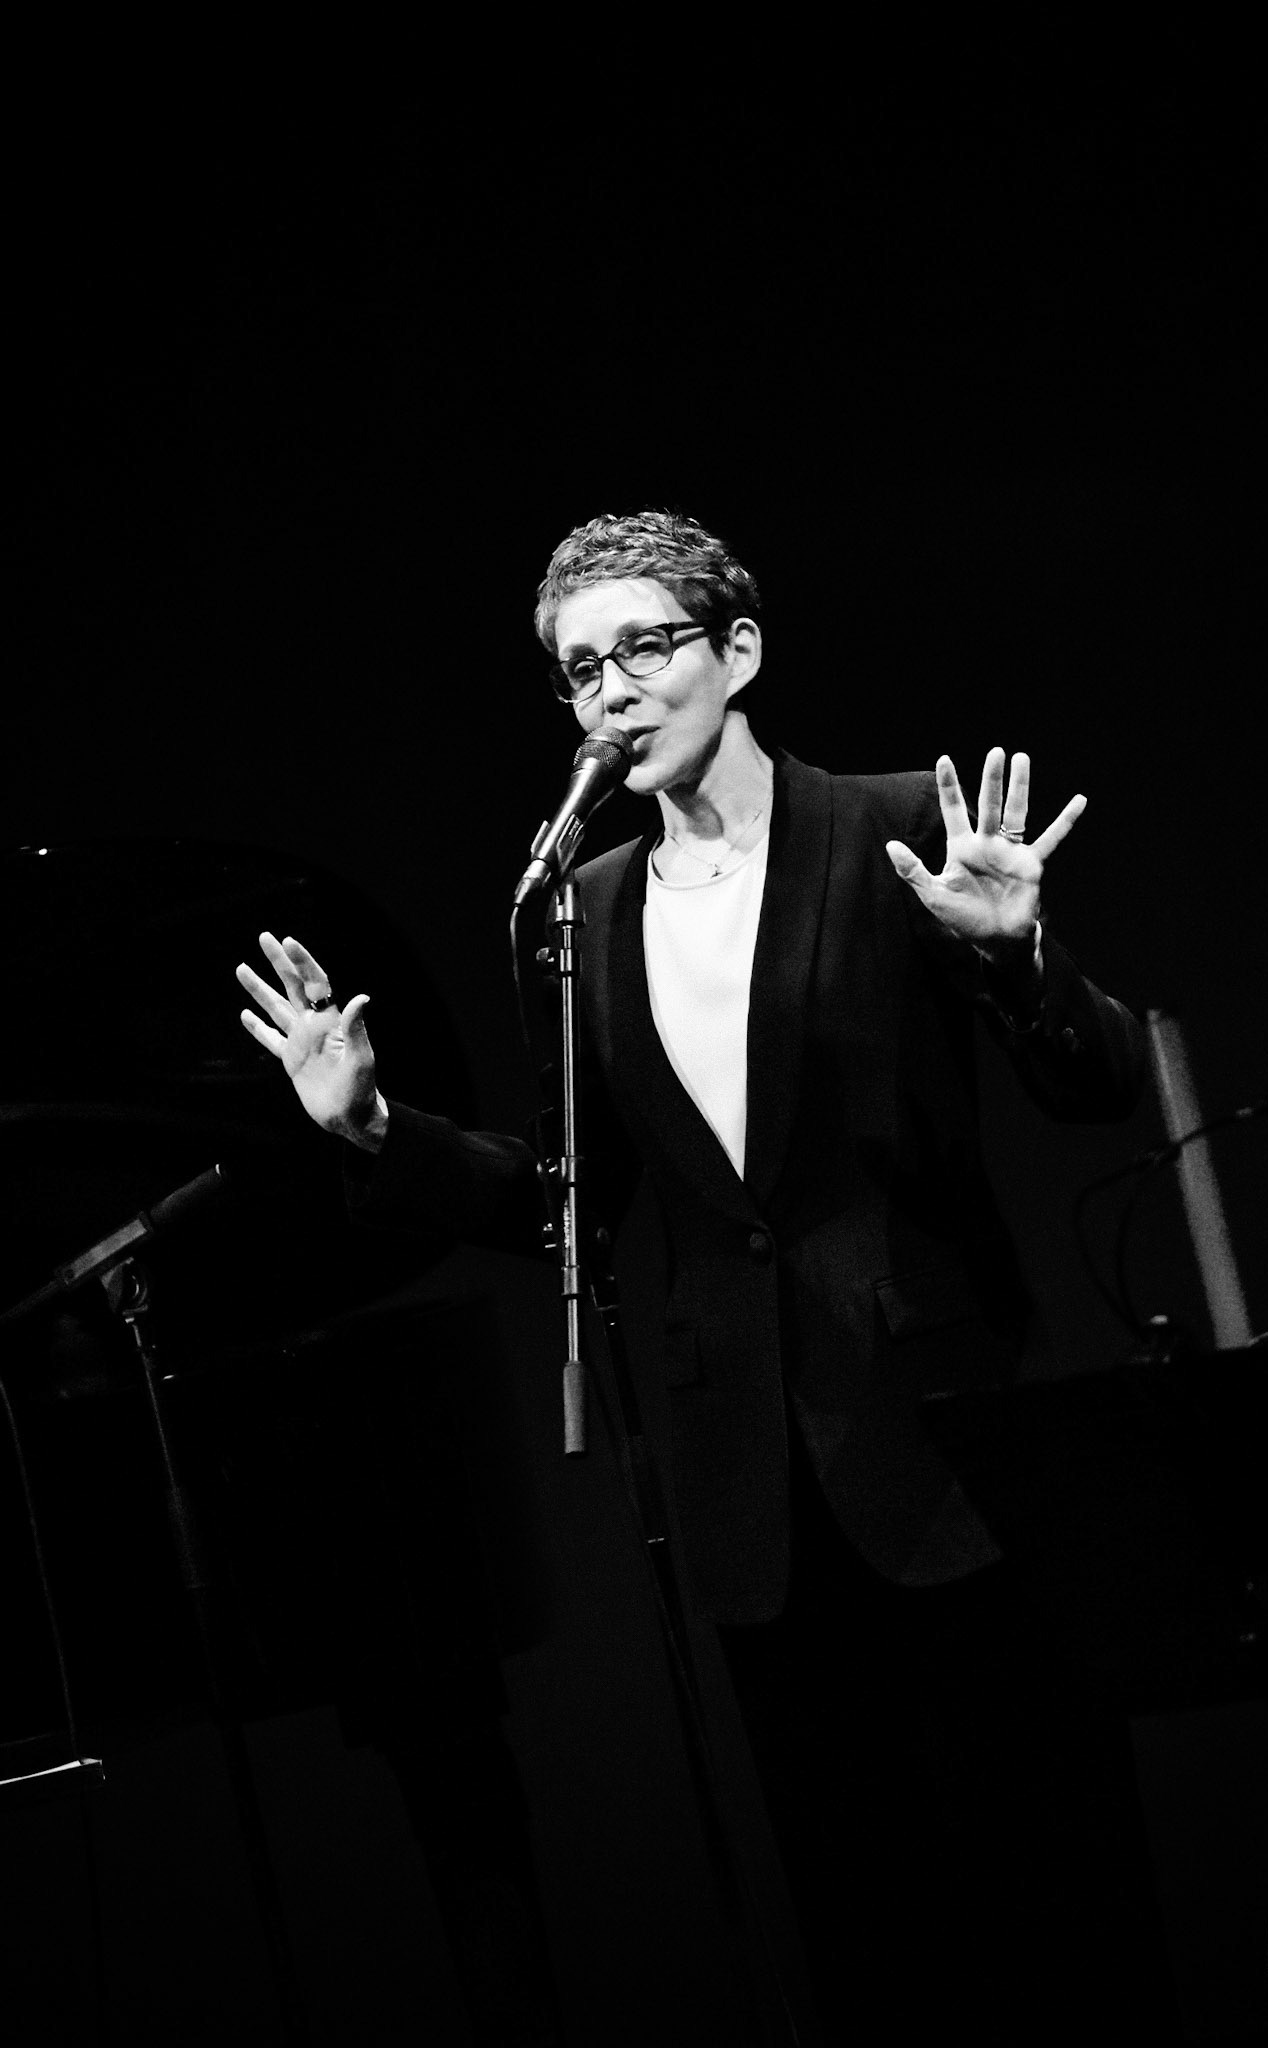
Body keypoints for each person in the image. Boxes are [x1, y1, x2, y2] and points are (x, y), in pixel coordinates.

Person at [237, 510, 1154, 2044]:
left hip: (951, 1452)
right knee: (868, 1937)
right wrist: (379, 1131)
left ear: (737, 652)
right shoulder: (576, 915)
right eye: (575, 669)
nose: (607, 690)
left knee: (1051, 1901)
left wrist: (1013, 961)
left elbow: (1100, 1087)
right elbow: (573, 1204)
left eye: (641, 649)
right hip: (746, 1491)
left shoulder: (888, 835)